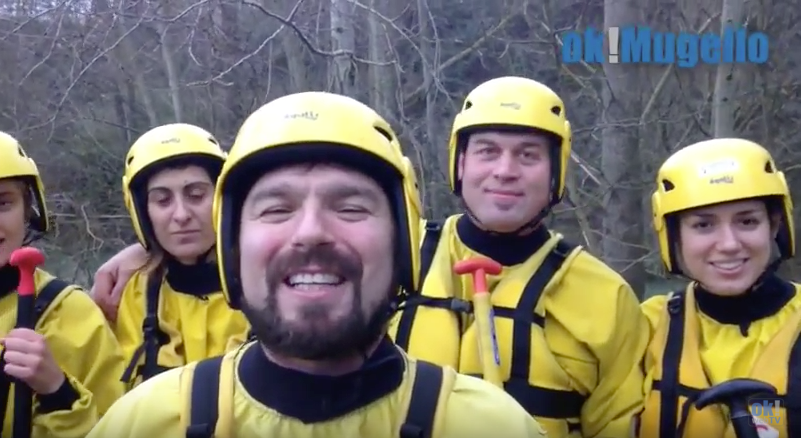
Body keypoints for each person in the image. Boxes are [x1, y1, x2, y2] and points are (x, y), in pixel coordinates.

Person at [92, 77, 649, 438]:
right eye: (276, 209)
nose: (310, 233)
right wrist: (148, 246)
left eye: (351, 208)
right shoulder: (143, 423)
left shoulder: (501, 420)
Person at [390, 76, 648, 438]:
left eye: (528, 155)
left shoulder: (607, 296)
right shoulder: (392, 257)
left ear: (555, 171)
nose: (505, 171)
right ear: (460, 163)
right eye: (487, 151)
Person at [0, 103, 124, 437]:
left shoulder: (70, 314)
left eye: (3, 203)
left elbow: (119, 428)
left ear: (29, 210)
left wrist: (58, 392)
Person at [638, 138, 800, 438]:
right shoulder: (645, 327)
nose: (728, 244)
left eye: (747, 221)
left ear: (774, 226)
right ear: (674, 237)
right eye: (703, 225)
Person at [113, 123, 250, 389]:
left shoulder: (262, 283)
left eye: (196, 195)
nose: (181, 215)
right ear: (143, 213)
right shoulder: (138, 293)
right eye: (163, 200)